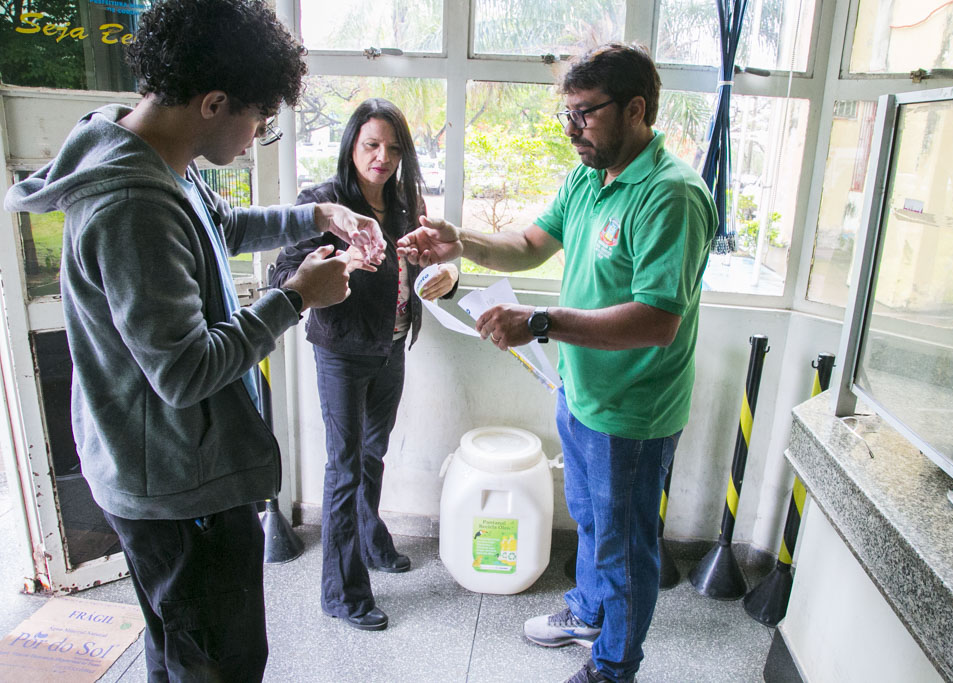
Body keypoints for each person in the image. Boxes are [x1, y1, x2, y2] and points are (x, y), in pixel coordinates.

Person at [4, 1, 386, 680]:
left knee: (185, 650)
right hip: (178, 493)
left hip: (177, 472)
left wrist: (317, 213)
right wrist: (296, 296)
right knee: (217, 661)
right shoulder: (133, 204)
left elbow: (221, 228)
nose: (254, 138)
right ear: (214, 102)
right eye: (258, 123)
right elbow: (183, 371)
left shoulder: (153, 155)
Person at [398, 43, 717, 683]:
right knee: (597, 529)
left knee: (626, 550)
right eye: (565, 115)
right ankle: (590, 613)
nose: (570, 129)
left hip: (633, 413)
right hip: (580, 393)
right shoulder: (588, 176)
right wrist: (461, 239)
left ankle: (613, 666)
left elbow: (657, 320)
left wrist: (539, 324)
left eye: (584, 114)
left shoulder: (669, 196)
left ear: (635, 109)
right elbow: (526, 244)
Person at [271, 98, 458, 631]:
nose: (383, 158)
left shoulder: (404, 205)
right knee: (344, 466)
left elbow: (425, 272)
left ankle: (371, 539)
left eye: (393, 148)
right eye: (372, 145)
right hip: (341, 351)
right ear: (351, 144)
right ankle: (342, 592)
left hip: (391, 347)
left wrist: (447, 279)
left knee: (372, 456)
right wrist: (342, 261)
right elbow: (286, 271)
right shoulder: (324, 203)